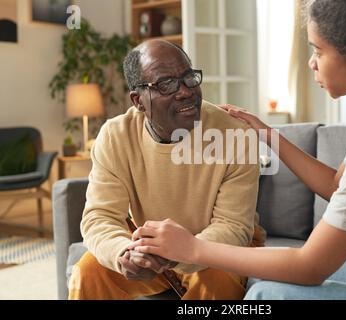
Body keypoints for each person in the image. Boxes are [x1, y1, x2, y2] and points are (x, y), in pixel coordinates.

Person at [127, 0, 346, 300]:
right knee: (257, 277)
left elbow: (310, 267)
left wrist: (192, 248)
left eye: (318, 51)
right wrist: (270, 136)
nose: (311, 63)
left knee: (266, 295)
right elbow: (342, 188)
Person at [68, 39, 265, 300]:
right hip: (154, 252)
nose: (185, 91)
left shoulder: (235, 134)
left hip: (219, 250)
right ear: (139, 101)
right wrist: (125, 253)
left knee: (215, 279)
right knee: (88, 272)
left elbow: (233, 227)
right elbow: (100, 216)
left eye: (189, 78)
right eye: (166, 84)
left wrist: (181, 250)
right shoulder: (115, 136)